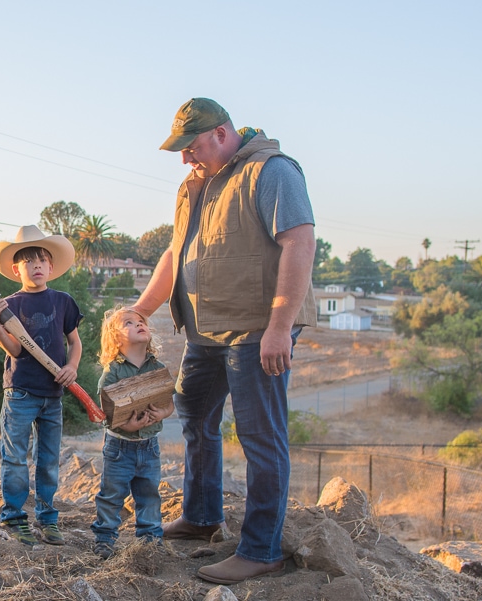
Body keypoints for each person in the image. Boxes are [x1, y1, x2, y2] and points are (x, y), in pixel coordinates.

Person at [131, 98, 318, 585]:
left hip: (257, 330)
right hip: (205, 330)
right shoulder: (193, 184)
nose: (185, 159)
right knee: (194, 415)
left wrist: (280, 328)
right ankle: (201, 517)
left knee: (259, 436)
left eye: (191, 147)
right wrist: (140, 310)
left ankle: (261, 549)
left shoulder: (271, 171)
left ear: (220, 134)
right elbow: (177, 252)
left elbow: (299, 242)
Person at [0, 224, 83, 547]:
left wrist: (72, 367)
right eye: (29, 261)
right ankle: (13, 518)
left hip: (53, 394)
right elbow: (15, 350)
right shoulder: (10, 305)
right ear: (17, 269)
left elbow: (75, 343)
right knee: (14, 458)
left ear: (51, 267)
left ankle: (48, 518)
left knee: (49, 459)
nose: (36, 266)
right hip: (21, 392)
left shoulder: (64, 301)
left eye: (42, 260)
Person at [90, 305, 174, 560]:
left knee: (149, 493)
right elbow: (106, 415)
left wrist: (162, 414)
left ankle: (150, 539)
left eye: (140, 321)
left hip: (150, 446)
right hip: (119, 448)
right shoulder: (113, 372)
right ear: (116, 338)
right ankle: (105, 539)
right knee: (112, 494)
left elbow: (168, 402)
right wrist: (128, 426)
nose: (138, 324)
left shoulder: (156, 366)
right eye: (128, 323)